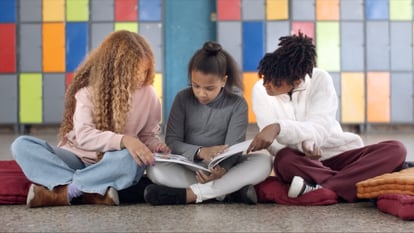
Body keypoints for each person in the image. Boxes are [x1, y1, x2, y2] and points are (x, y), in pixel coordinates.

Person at [10, 30, 170, 208]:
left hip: (112, 163)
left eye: (145, 70)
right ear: (115, 71)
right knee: (21, 145)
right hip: (77, 159)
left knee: (132, 159)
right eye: (134, 72)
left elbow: (147, 135)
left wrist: (156, 146)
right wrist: (124, 140)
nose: (141, 77)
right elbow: (85, 136)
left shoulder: (149, 95)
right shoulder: (88, 91)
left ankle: (66, 191)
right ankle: (91, 189)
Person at [247, 32, 407, 203]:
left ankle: (323, 190)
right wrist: (303, 146)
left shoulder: (320, 79)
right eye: (265, 78)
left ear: (297, 81)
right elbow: (273, 143)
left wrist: (280, 128)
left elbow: (320, 127)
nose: (267, 86)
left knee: (396, 149)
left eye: (276, 83)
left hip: (337, 155)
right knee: (283, 159)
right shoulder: (259, 90)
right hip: (303, 164)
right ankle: (347, 185)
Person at [144, 41, 272, 205]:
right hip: (190, 167)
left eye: (209, 88)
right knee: (154, 169)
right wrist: (200, 152)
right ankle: (227, 192)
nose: (201, 93)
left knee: (263, 161)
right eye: (196, 86)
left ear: (224, 81)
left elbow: (234, 147)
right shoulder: (182, 98)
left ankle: (192, 194)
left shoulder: (237, 104)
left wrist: (223, 170)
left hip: (223, 170)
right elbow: (173, 142)